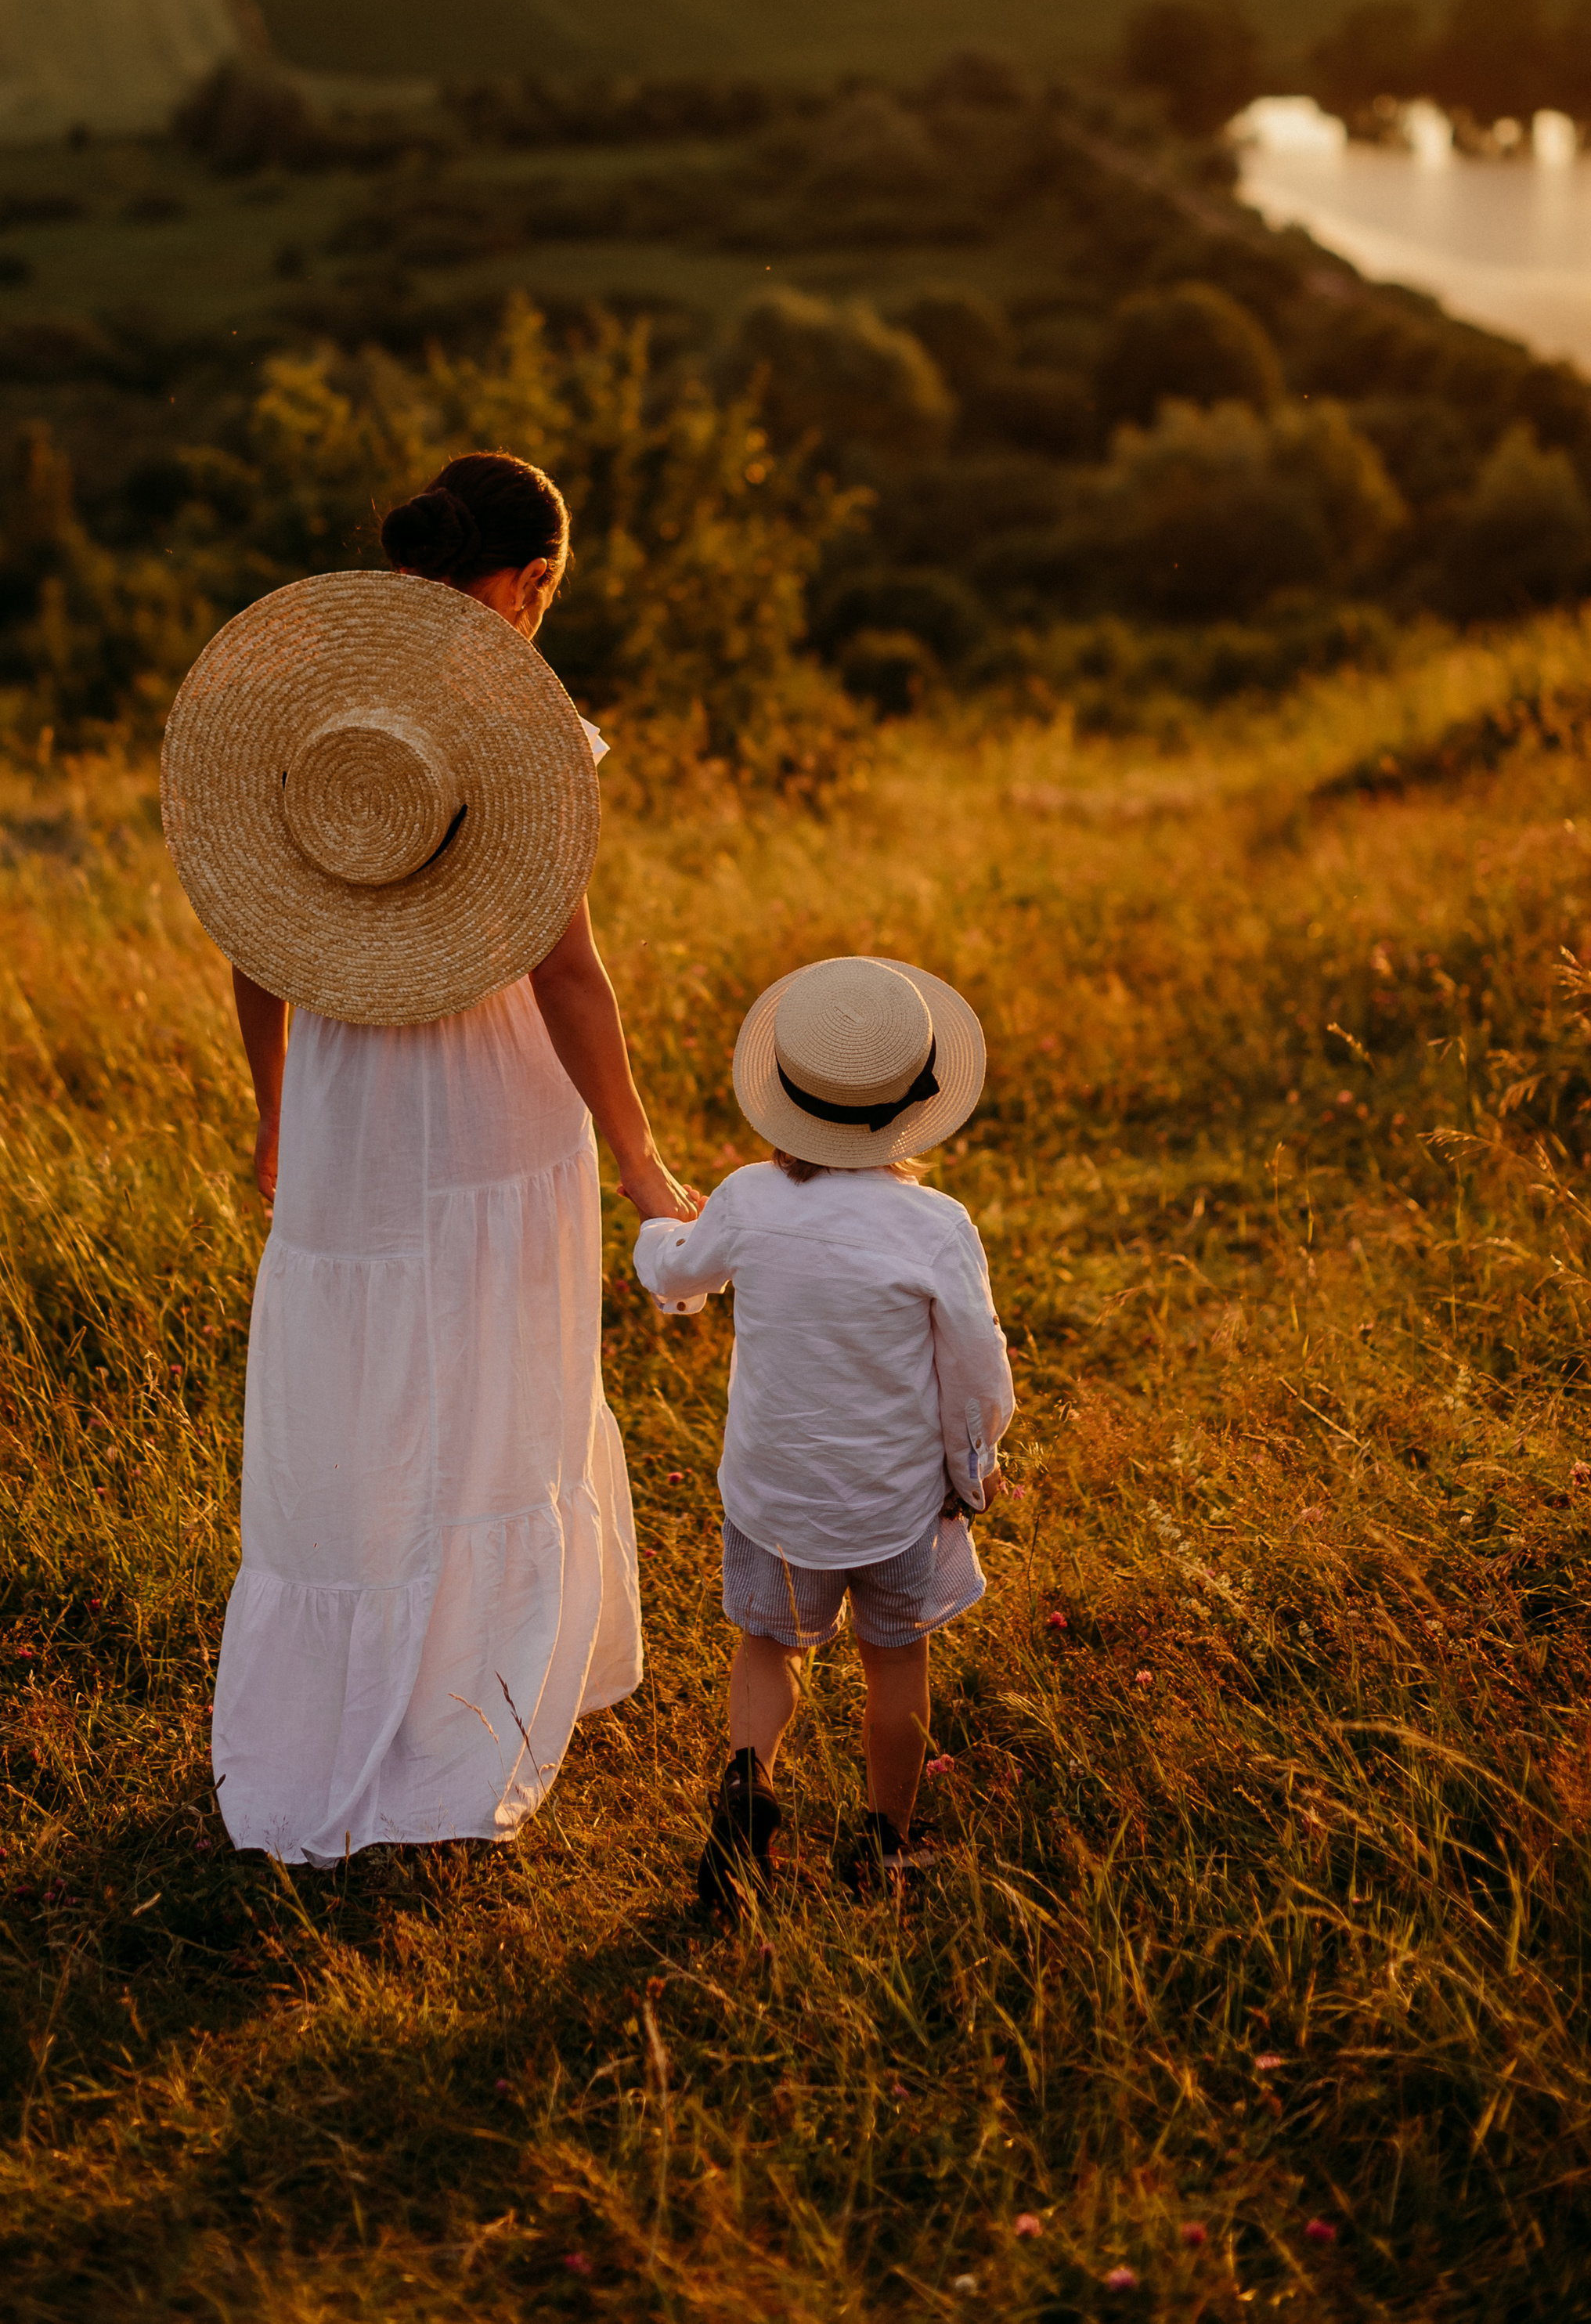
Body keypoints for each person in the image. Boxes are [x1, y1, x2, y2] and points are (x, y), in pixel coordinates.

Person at [159, 451, 694, 1865]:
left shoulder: (308, 707)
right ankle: (475, 1685)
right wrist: (640, 1160)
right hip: (490, 1106)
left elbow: (254, 942)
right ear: (529, 584)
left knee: (359, 1376)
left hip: (346, 1104)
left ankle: (338, 1687)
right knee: (491, 1375)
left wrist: (277, 1113)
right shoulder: (527, 725)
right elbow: (568, 973)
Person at [632, 954, 1015, 1911]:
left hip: (774, 1495)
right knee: (897, 1667)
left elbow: (677, 1276)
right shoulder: (935, 1226)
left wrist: (657, 1232)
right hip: (893, 1503)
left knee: (768, 1649)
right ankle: (888, 1842)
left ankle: (746, 1783)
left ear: (784, 1094)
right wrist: (974, 1466)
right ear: (914, 1103)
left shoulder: (749, 1199)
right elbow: (975, 1366)